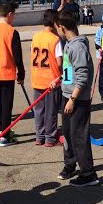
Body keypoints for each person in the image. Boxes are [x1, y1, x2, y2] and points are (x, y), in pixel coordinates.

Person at [55, 10, 99, 187]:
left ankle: (88, 173)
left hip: (77, 99)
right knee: (68, 133)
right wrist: (58, 81)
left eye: (57, 28)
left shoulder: (78, 47)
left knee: (78, 135)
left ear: (62, 27)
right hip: (67, 95)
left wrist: (73, 99)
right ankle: (70, 164)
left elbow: (82, 76)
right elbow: (70, 72)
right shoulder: (69, 44)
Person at [0, 2, 25, 146]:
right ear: (9, 15)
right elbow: (17, 56)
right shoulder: (12, 32)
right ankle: (5, 136)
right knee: (7, 105)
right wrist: (21, 73)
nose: (14, 18)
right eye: (13, 15)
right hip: (6, 72)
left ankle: (3, 130)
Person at [31, 9, 63, 146]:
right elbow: (60, 62)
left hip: (37, 77)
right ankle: (50, 137)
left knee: (39, 110)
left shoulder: (35, 37)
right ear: (55, 23)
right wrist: (61, 75)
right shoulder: (55, 40)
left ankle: (39, 136)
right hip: (51, 81)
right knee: (51, 111)